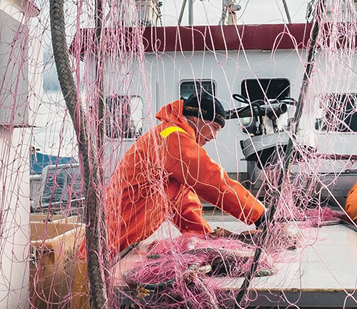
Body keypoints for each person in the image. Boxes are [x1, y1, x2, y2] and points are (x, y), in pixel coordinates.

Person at [105, 89, 265, 254]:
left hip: (121, 241)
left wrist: (203, 238)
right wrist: (258, 215)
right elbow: (210, 179)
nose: (215, 136)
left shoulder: (171, 136)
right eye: (215, 127)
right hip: (110, 241)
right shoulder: (172, 136)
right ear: (196, 118)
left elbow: (182, 201)